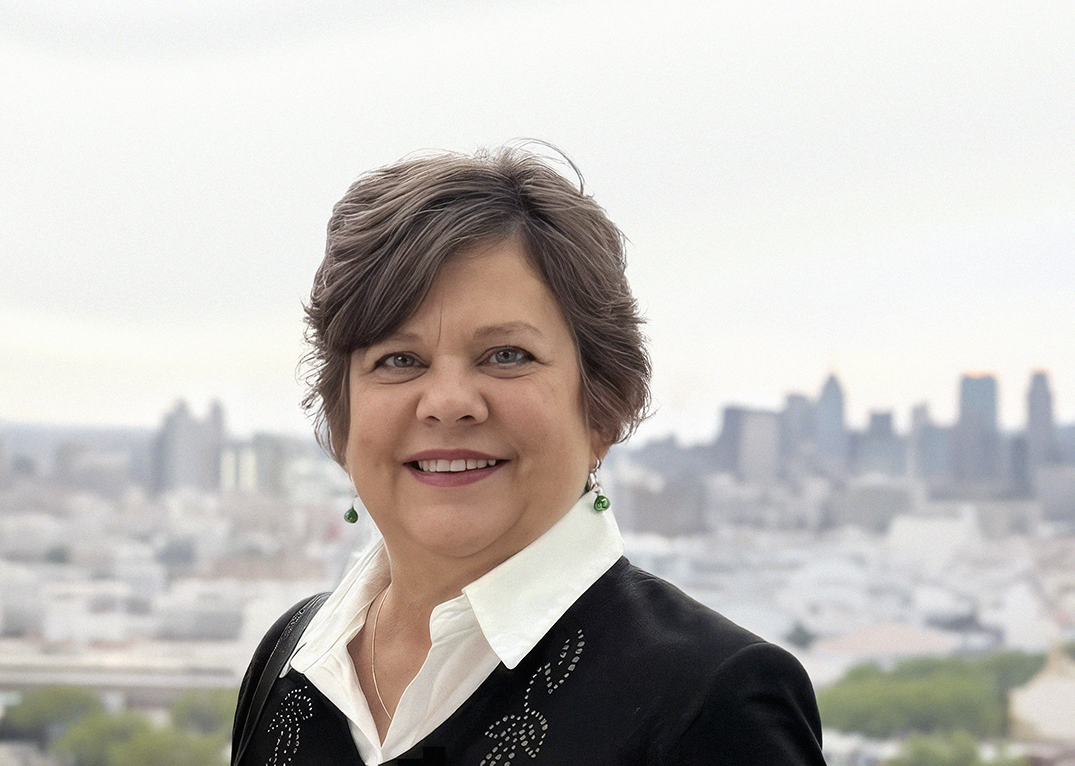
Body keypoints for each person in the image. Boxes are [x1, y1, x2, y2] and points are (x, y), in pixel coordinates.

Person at [232, 144, 827, 765]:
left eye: (507, 356)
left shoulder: (712, 701)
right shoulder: (291, 659)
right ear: (343, 415)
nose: (448, 403)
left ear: (603, 404)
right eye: (399, 360)